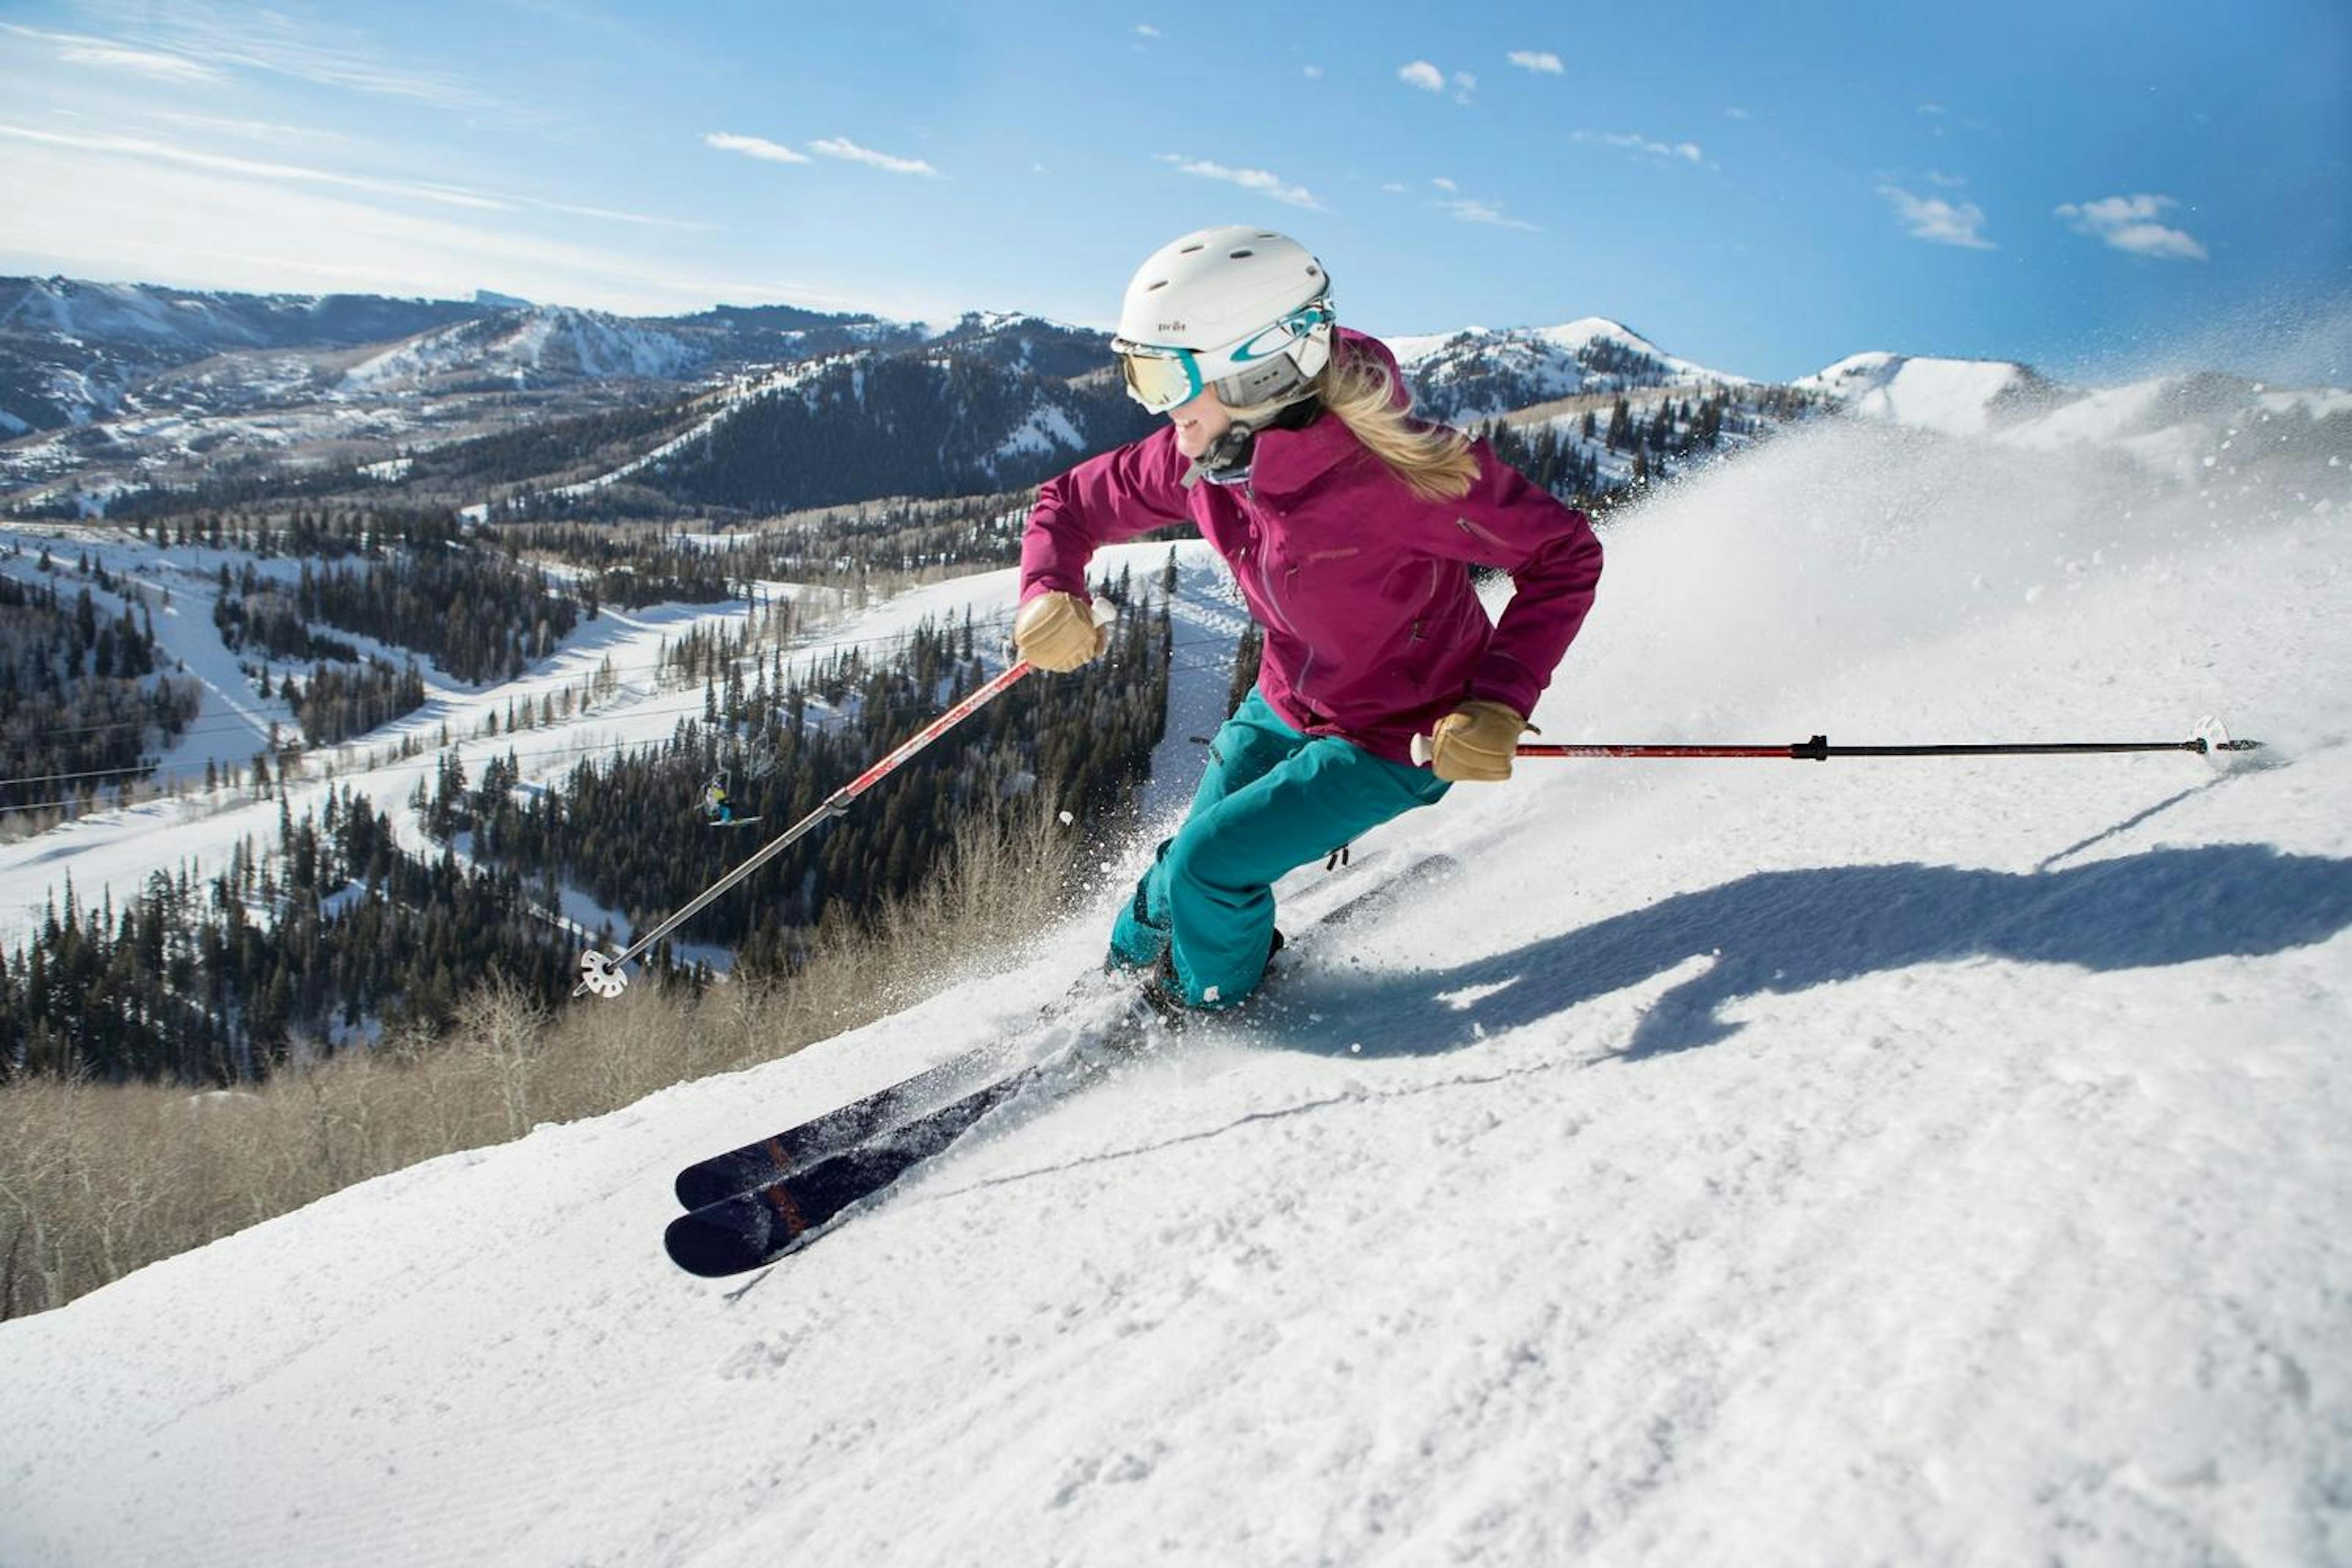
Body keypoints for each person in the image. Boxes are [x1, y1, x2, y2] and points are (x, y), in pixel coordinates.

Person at [1016, 224, 1603, 1012]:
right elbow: (1071, 502)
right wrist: (1050, 589)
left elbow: (1564, 555)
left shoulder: (1399, 473)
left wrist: (1498, 699)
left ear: (1257, 371)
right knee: (1180, 865)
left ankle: (1209, 1010)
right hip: (1285, 701)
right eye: (1141, 376)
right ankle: (1118, 981)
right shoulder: (1203, 461)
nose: (1156, 409)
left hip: (1401, 735)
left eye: (1164, 379)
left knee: (1210, 866)